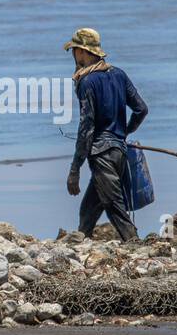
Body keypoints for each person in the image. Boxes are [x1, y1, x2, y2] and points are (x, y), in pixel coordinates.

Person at [63, 27, 148, 240]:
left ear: (83, 51)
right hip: (118, 152)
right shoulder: (119, 74)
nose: (74, 55)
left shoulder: (86, 82)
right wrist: (124, 133)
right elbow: (141, 109)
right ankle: (80, 244)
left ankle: (135, 244)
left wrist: (75, 169)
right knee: (88, 209)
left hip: (101, 154)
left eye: (74, 50)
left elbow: (86, 128)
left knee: (114, 207)